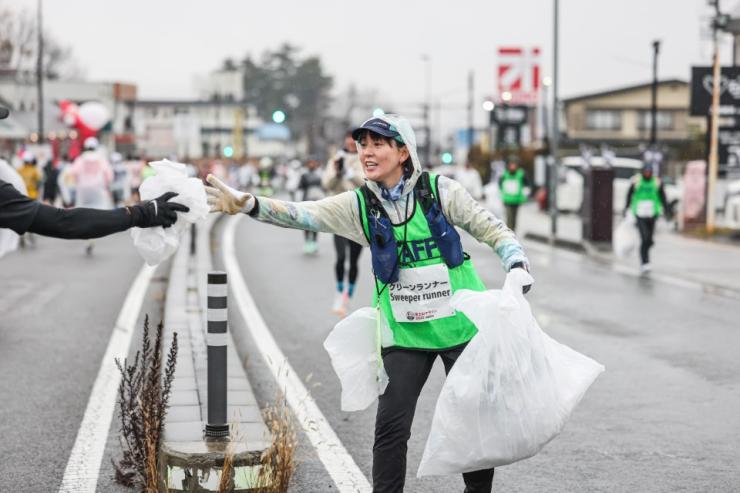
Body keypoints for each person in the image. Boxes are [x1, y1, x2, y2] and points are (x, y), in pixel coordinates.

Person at [206, 114, 531, 493]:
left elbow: (492, 228)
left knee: (475, 424)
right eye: (363, 145)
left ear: (403, 152)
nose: (367, 152)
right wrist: (249, 204)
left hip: (461, 328)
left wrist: (516, 263)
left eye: (378, 144)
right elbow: (304, 214)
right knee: (391, 429)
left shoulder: (440, 192)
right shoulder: (359, 205)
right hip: (405, 334)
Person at [322, 131, 365, 316]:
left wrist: (350, 173)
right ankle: (339, 291)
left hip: (358, 216)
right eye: (348, 141)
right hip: (339, 215)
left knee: (354, 259)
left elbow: (367, 183)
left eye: (354, 142)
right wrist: (338, 174)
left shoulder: (365, 158)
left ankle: (349, 294)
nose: (350, 144)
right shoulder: (335, 159)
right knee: (340, 257)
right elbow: (327, 184)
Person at [624, 163, 671, 273]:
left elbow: (663, 197)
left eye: (649, 172)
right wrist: (626, 208)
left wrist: (667, 210)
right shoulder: (637, 181)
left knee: (649, 239)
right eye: (646, 172)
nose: (648, 173)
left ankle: (648, 245)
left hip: (652, 213)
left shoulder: (657, 182)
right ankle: (645, 262)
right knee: (644, 238)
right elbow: (629, 195)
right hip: (639, 213)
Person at [70, 137, 114, 255]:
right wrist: (106, 185)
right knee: (97, 213)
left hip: (83, 190)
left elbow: (73, 172)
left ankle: (87, 236)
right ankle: (93, 235)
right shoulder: (101, 159)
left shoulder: (81, 159)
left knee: (84, 213)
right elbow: (109, 175)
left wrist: (78, 183)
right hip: (98, 189)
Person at [297, 156, 325, 255]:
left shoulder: (321, 174)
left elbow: (325, 186)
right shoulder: (304, 175)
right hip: (306, 201)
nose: (312, 164)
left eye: (314, 162)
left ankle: (314, 242)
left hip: (317, 202)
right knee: (306, 223)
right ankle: (307, 242)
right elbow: (300, 187)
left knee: (315, 222)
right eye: (310, 163)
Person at [498, 157, 530, 231]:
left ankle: (513, 231)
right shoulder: (504, 174)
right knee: (509, 217)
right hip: (507, 199)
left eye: (514, 164)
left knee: (514, 218)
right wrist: (501, 194)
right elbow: (500, 185)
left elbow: (527, 185)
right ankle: (509, 232)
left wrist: (525, 195)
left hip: (517, 200)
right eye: (511, 164)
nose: (513, 166)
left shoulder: (521, 174)